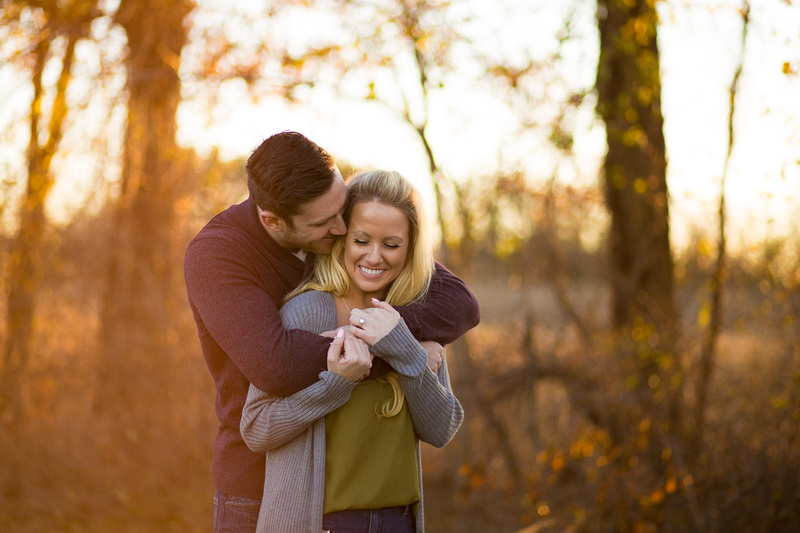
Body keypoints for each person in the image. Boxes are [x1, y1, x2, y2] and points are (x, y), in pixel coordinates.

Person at [183, 131, 481, 532]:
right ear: (273, 221)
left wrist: (398, 337)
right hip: (255, 488)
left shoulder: (352, 237)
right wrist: (394, 349)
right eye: (328, 223)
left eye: (344, 209)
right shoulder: (218, 255)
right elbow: (277, 364)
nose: (342, 228)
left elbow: (459, 303)